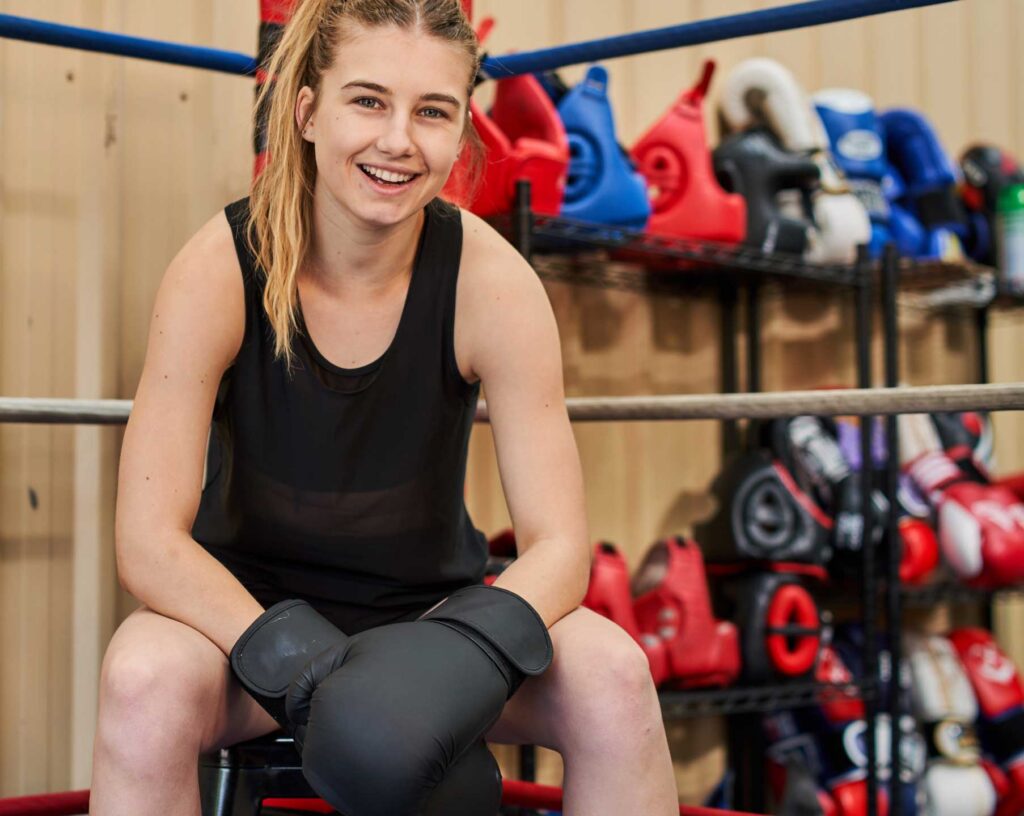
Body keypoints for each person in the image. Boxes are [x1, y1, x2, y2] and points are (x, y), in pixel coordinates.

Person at [88, 1, 677, 813]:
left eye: (432, 112)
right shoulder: (218, 269)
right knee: (140, 682)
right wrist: (307, 666)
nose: (398, 140)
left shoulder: (491, 282)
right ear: (307, 113)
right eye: (368, 100)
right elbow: (148, 541)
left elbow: (559, 546)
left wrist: (460, 652)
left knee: (615, 678)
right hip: (244, 622)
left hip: (432, 620)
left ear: (461, 131)